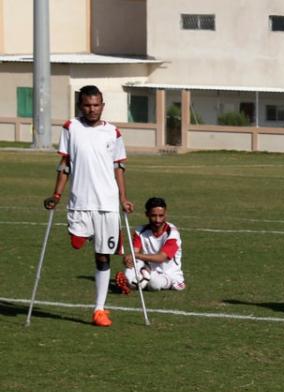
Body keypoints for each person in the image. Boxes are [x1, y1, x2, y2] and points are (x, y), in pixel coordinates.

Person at [43, 84, 134, 327]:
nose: (92, 109)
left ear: (102, 106)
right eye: (87, 105)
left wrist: (123, 198)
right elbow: (65, 164)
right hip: (80, 201)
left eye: (96, 105)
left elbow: (119, 167)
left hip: (107, 203)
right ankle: (81, 232)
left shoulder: (113, 133)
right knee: (76, 241)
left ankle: (99, 310)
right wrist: (56, 195)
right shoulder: (71, 127)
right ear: (80, 106)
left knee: (103, 257)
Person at [115, 196, 185, 293]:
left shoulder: (172, 233)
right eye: (153, 215)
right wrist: (128, 259)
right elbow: (135, 252)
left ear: (166, 214)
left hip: (169, 274)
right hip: (149, 269)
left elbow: (161, 257)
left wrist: (135, 255)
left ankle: (140, 280)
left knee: (154, 284)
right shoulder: (140, 231)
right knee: (132, 267)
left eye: (161, 215)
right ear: (147, 214)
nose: (157, 220)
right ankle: (137, 280)